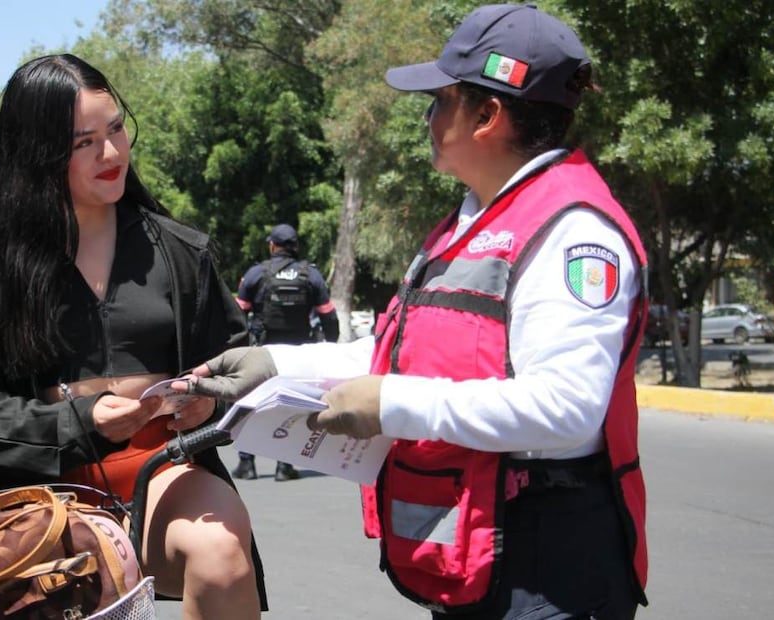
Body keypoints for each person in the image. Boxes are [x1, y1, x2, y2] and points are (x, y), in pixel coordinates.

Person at [180, 5, 648, 619]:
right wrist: (274, 363)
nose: (428, 115)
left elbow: (566, 408)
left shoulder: (570, 231)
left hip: (547, 562)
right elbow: (395, 352)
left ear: (486, 115)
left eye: (440, 100)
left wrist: (393, 404)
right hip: (484, 547)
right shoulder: (473, 220)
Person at [0, 54, 266, 619]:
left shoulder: (181, 252)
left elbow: (238, 368)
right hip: (32, 499)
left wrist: (209, 402)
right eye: (84, 143)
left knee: (222, 553)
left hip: (164, 472)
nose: (111, 154)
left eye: (116, 130)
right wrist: (78, 423)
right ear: (37, 153)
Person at [232, 223, 339, 481]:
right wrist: (331, 346)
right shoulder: (310, 275)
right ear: (295, 248)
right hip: (298, 355)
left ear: (272, 246)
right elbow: (329, 316)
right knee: (293, 408)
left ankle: (247, 464)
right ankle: (284, 466)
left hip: (263, 352)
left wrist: (236, 350)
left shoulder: (257, 273)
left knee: (252, 405)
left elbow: (236, 314)